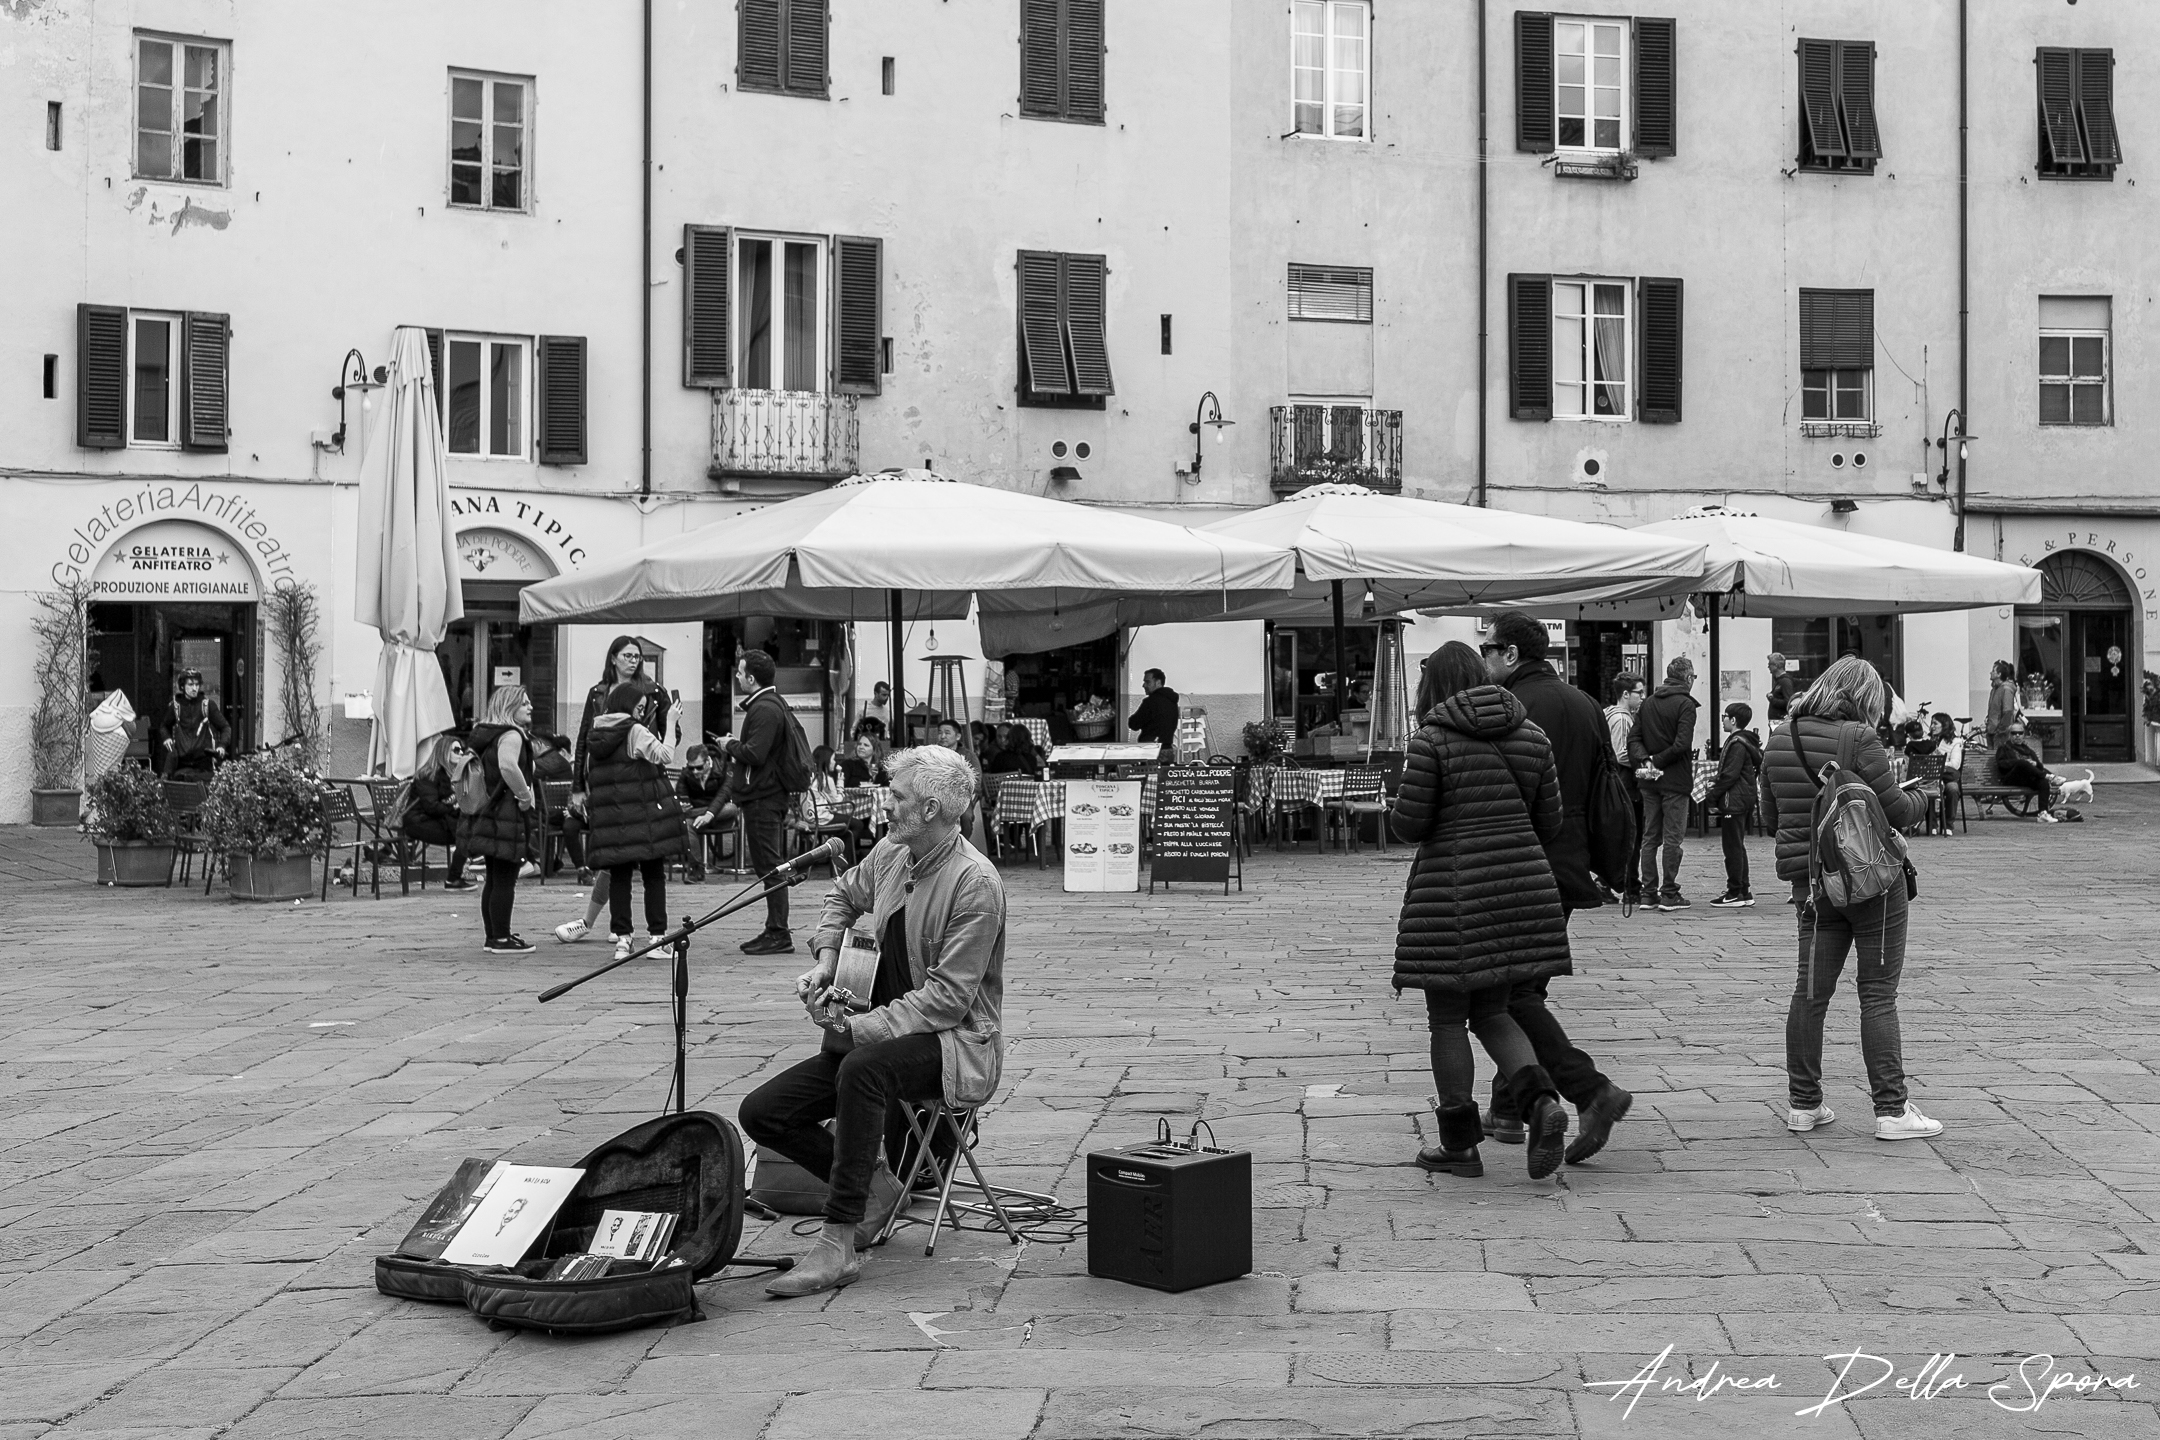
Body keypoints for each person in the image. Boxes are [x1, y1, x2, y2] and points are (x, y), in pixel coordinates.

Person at [738, 745, 1008, 1298]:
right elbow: (843, 893)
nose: (887, 803)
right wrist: (827, 957)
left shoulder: (974, 883)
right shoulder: (892, 851)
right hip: (880, 1034)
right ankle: (874, 1191)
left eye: (898, 795)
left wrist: (855, 1030)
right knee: (762, 1113)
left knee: (861, 1069)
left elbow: (947, 1002)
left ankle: (838, 1243)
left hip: (954, 1043)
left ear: (930, 808)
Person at [1390, 642, 1575, 1183]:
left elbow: (1410, 824)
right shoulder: (1532, 735)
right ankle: (1541, 1103)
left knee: (1447, 1016)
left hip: (1454, 892)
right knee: (1495, 1011)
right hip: (1522, 891)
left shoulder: (1431, 740)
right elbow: (1552, 822)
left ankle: (1459, 1148)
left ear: (1434, 687)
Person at [1761, 656, 1939, 1142]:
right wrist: (1925, 797)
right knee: (1877, 994)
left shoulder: (1780, 735)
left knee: (1810, 992)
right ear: (1865, 697)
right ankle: (1891, 1110)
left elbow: (1768, 813)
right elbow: (1898, 810)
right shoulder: (1860, 738)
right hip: (1871, 883)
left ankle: (1804, 1104)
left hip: (1812, 887)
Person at [1481, 613, 1634, 1165]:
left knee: (1508, 993)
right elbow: (1602, 786)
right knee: (1523, 986)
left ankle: (1590, 1091)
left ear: (1513, 654)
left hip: (1519, 862)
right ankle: (1508, 1106)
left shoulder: (1509, 708)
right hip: (1569, 865)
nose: (1484, 659)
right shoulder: (1585, 703)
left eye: (1490, 649)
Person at [581, 682, 685, 961]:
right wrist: (671, 723)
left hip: (612, 817)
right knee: (653, 875)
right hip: (641, 815)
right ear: (628, 706)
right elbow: (664, 755)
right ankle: (657, 939)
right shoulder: (633, 730)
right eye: (639, 707)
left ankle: (623, 941)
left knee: (620, 877)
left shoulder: (597, 731)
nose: (641, 713)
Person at [719, 648, 803, 955]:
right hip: (764, 795)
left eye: (740, 673)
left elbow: (755, 753)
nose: (738, 677)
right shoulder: (768, 704)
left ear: (751, 678)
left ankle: (779, 934)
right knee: (770, 866)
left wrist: (730, 744)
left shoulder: (765, 708)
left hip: (764, 798)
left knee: (771, 867)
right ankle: (774, 930)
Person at [461, 685, 539, 955]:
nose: (530, 707)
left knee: (494, 879)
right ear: (509, 707)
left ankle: (493, 936)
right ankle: (502, 938)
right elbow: (508, 766)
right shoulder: (512, 735)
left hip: (489, 812)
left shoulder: (486, 735)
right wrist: (525, 795)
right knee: (506, 879)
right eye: (524, 703)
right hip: (507, 813)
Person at [1629, 656, 1700, 911]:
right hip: (1675, 780)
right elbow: (1682, 744)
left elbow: (1633, 738)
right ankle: (1669, 893)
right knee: (1672, 839)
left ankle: (1648, 893)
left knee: (1650, 837)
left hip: (1649, 782)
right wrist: (1657, 760)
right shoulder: (1685, 705)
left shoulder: (1647, 703)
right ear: (1688, 678)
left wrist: (1646, 760)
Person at [402, 734, 472, 891]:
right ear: (443, 752)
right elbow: (431, 807)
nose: (461, 753)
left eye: (462, 750)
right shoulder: (428, 775)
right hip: (418, 822)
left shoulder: (454, 775)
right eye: (456, 750)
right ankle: (454, 879)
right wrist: (454, 808)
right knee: (465, 834)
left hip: (439, 819)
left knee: (469, 829)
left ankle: (458, 875)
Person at [1708, 702, 1761, 908]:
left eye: (1725, 716)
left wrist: (1713, 796)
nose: (1723, 719)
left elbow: (1730, 774)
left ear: (1733, 720)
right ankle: (1744, 891)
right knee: (1737, 845)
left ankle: (1734, 891)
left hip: (1734, 800)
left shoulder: (1737, 743)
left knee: (1732, 847)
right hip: (1742, 798)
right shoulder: (1745, 741)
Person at [1603, 671, 1648, 907]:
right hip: (1625, 785)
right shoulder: (1621, 718)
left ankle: (1607, 883)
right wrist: (1644, 762)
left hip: (1618, 784)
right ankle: (1629, 886)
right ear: (1625, 694)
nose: (1642, 697)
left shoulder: (1610, 714)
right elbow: (1621, 753)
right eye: (1639, 692)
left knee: (1620, 837)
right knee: (1631, 837)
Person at [677, 744, 738, 882]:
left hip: (719, 817)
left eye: (699, 767)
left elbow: (723, 795)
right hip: (697, 820)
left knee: (731, 808)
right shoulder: (686, 774)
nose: (695, 771)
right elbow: (681, 795)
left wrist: (708, 814)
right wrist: (682, 805)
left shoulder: (724, 768)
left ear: (707, 761)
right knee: (687, 825)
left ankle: (698, 815)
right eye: (691, 767)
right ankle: (696, 869)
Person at [1993, 720, 2074, 821]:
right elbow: (2001, 765)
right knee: (2022, 763)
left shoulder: (2027, 749)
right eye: (2014, 733)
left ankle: (2043, 813)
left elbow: (2039, 767)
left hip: (2026, 779)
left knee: (2043, 783)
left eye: (2020, 733)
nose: (2017, 735)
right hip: (2011, 778)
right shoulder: (2004, 748)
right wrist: (2019, 763)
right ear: (2009, 735)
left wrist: (2035, 764)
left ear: (2024, 735)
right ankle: (2049, 776)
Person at [160, 669, 230, 778]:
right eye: (191, 684)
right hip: (181, 764)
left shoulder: (207, 705)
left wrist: (222, 746)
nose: (194, 688)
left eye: (197, 685)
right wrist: (166, 738)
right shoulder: (175, 706)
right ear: (182, 686)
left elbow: (225, 727)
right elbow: (164, 726)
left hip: (203, 765)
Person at [1127, 668, 1180, 751]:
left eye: (1147, 682)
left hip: (1150, 750)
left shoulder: (1150, 702)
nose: (1144, 685)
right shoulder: (1172, 701)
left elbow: (1134, 724)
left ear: (1158, 683)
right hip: (1167, 749)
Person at [1985, 659, 2020, 747]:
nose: (1990, 672)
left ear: (1999, 674)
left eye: (1993, 670)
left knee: (2000, 758)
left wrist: (2000, 732)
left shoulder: (2006, 689)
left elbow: (2008, 712)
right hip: (1992, 732)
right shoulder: (1995, 689)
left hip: (2000, 735)